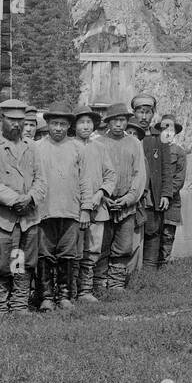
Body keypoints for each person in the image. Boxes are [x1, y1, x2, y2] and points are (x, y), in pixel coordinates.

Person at [0, 99, 46, 316]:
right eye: (12, 120)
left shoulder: (32, 147)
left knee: (22, 262)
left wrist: (30, 199)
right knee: (0, 262)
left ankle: (19, 305)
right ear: (2, 119)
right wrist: (17, 201)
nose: (17, 125)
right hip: (3, 217)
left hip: (28, 218)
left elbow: (42, 181)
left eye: (21, 120)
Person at [35, 102, 92, 311]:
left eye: (62, 124)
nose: (58, 128)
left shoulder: (78, 148)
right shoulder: (38, 147)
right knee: (45, 255)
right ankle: (46, 297)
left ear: (69, 125)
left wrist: (86, 208)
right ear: (47, 124)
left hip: (70, 211)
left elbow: (85, 180)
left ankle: (65, 295)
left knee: (67, 255)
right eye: (54, 123)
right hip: (44, 211)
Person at [95, 101, 145, 295]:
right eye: (114, 121)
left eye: (122, 120)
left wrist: (129, 198)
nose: (118, 125)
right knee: (101, 245)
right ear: (108, 122)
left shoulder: (134, 143)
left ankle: (116, 284)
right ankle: (99, 283)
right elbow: (95, 173)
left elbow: (139, 174)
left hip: (126, 204)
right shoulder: (98, 142)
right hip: (104, 202)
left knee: (123, 246)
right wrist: (103, 197)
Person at [71, 104, 115, 301]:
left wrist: (101, 193)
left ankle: (86, 290)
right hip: (74, 207)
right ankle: (69, 290)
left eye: (89, 122)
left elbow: (110, 175)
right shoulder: (69, 145)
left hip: (97, 208)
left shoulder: (100, 147)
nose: (86, 126)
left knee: (93, 248)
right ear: (74, 125)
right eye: (81, 122)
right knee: (74, 248)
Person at [131, 93, 174, 271]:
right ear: (134, 112)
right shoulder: (129, 134)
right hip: (134, 195)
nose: (144, 116)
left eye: (147, 112)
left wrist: (165, 194)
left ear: (153, 113)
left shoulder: (159, 136)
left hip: (153, 196)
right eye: (140, 112)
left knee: (153, 231)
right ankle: (130, 272)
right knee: (132, 234)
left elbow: (166, 168)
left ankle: (149, 272)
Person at [157, 114, 186, 264]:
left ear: (175, 131)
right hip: (154, 198)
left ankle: (164, 262)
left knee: (168, 233)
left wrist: (167, 195)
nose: (167, 131)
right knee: (154, 232)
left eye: (171, 127)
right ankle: (151, 264)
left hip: (172, 200)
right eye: (164, 127)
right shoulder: (153, 149)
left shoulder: (179, 152)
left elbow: (179, 179)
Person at [125, 116, 149, 282]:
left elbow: (143, 184)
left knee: (135, 242)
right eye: (129, 132)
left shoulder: (143, 159)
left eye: (135, 134)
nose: (132, 136)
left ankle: (132, 277)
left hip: (136, 205)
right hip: (118, 205)